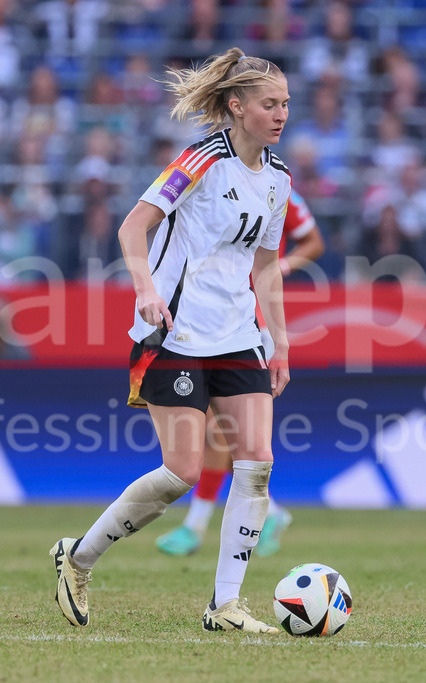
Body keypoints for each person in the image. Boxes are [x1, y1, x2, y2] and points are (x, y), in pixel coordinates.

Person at [49, 47, 293, 633]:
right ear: (237, 107)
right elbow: (134, 223)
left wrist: (279, 341)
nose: (281, 113)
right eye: (269, 103)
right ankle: (76, 558)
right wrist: (143, 290)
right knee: (181, 472)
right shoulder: (201, 159)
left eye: (285, 103)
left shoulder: (279, 180)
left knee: (255, 464)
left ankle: (226, 605)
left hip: (239, 336)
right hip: (176, 333)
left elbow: (265, 266)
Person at [156, 190, 325, 557]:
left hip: (253, 317)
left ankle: (195, 526)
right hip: (218, 312)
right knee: (226, 433)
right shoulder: (214, 182)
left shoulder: (277, 186)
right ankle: (271, 513)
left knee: (222, 430)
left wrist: (281, 267)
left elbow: (313, 242)